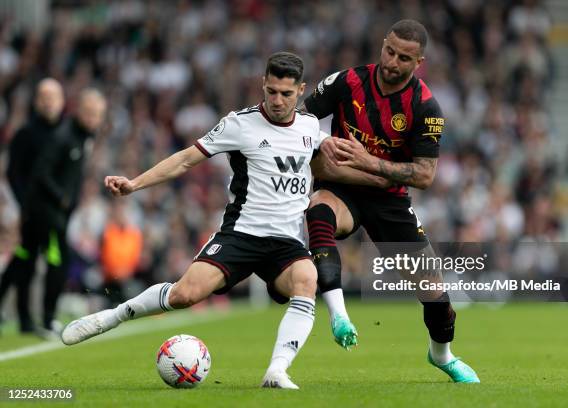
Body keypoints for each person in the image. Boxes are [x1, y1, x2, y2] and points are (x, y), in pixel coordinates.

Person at [61, 52, 384, 389]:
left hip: (286, 243)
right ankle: (111, 317)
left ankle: (277, 370)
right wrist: (135, 184)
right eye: (271, 91)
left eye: (286, 94)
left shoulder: (310, 129)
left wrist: (381, 177)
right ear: (263, 84)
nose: (277, 100)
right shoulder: (239, 124)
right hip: (240, 235)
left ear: (301, 90)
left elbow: (332, 163)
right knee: (184, 295)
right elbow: (186, 160)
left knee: (307, 279)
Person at [302, 20, 479, 382]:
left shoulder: (426, 107)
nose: (392, 62)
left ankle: (442, 356)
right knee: (318, 208)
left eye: (404, 58)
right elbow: (299, 119)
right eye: (390, 51)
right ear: (383, 44)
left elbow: (426, 175)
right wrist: (320, 142)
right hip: (341, 187)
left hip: (390, 202)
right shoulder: (346, 81)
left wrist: (368, 161)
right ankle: (338, 314)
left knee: (435, 296)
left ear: (419, 63)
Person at [1, 88, 107, 338]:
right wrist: (59, 199)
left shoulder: (78, 135)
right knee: (56, 261)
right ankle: (47, 319)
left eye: (97, 115)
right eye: (89, 113)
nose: (92, 119)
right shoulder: (53, 135)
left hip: (48, 211)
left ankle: (29, 320)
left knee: (24, 258)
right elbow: (33, 173)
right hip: (42, 211)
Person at [0, 78, 65, 333]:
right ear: (37, 101)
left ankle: (42, 316)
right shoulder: (26, 133)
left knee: (31, 259)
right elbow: (14, 173)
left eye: (53, 97)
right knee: (27, 260)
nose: (49, 103)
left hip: (55, 212)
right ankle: (29, 318)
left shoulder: (65, 133)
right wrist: (24, 204)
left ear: (61, 101)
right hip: (31, 211)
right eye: (44, 97)